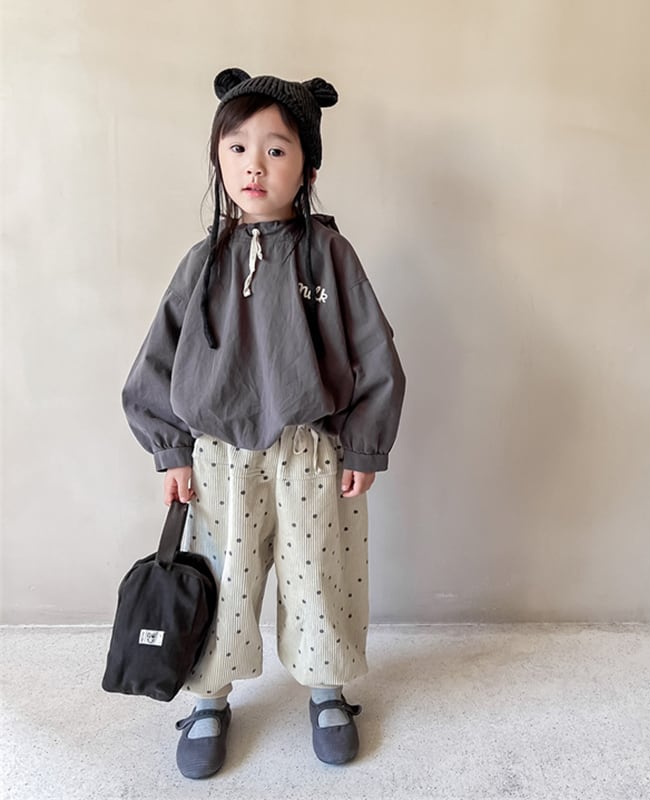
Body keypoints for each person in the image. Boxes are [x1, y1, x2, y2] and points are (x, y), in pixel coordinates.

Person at [121, 67, 405, 779]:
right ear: (218, 161)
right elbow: (158, 358)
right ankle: (209, 698)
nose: (255, 164)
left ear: (307, 167)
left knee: (320, 574)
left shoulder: (330, 256)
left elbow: (374, 350)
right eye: (238, 148)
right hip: (219, 457)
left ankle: (327, 689)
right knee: (222, 577)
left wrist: (364, 444)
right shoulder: (203, 262)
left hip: (313, 451)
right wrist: (171, 450)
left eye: (276, 149)